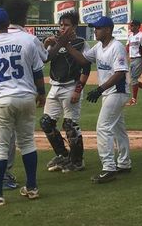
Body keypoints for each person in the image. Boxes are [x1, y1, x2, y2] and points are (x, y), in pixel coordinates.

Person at [0, 7, 45, 206]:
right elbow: (38, 71)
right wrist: (42, 94)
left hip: (0, 100)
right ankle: (32, 187)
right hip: (27, 97)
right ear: (7, 23)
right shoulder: (27, 40)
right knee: (28, 143)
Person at [56, 15, 131, 183]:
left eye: (98, 28)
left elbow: (120, 73)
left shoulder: (116, 47)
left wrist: (99, 89)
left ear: (108, 30)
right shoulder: (98, 47)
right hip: (109, 92)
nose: (95, 30)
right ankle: (124, 163)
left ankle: (109, 168)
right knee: (118, 129)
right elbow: (83, 60)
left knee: (103, 128)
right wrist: (66, 44)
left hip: (117, 92)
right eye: (94, 28)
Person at [40, 11, 91, 173]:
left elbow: (86, 66)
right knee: (46, 122)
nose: (62, 27)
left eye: (66, 25)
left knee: (70, 124)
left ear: (74, 26)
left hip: (71, 86)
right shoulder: (55, 41)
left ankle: (77, 161)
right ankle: (63, 155)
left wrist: (78, 90)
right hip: (55, 86)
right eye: (61, 25)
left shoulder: (80, 43)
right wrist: (46, 44)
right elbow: (44, 59)